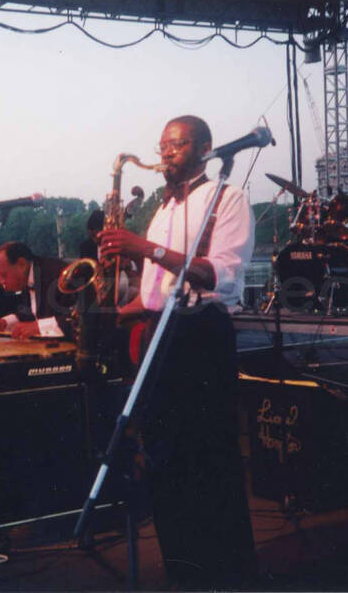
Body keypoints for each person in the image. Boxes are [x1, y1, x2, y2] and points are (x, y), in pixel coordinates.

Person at [97, 115, 256, 589]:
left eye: (177, 144)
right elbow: (156, 290)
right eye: (162, 145)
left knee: (208, 461)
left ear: (206, 147)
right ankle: (184, 570)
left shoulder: (229, 198)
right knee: (163, 461)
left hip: (200, 336)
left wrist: (143, 247)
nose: (165, 152)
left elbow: (218, 275)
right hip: (158, 335)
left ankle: (227, 576)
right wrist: (117, 308)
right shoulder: (164, 208)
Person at [0, 241, 73, 340]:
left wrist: (38, 327)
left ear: (22, 264)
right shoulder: (27, 277)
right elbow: (31, 313)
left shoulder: (60, 274)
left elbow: (80, 320)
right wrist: (6, 322)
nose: (1, 281)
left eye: (4, 275)